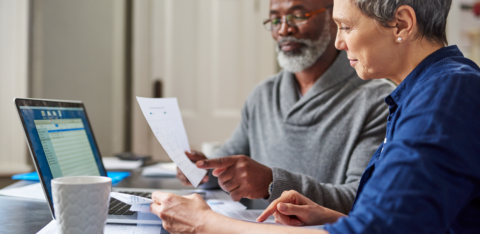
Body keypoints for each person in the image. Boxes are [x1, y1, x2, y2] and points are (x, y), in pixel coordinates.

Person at [150, 0, 480, 233]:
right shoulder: (422, 92)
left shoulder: (446, 93)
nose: (338, 41)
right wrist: (328, 216)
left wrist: (208, 224)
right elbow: (397, 218)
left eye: (346, 26)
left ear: (401, 24)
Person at [177, 0, 395, 214]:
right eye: (275, 19)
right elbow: (229, 165)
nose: (283, 30)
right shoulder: (263, 94)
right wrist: (201, 169)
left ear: (334, 18)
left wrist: (272, 183)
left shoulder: (377, 100)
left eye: (298, 16)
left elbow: (360, 197)